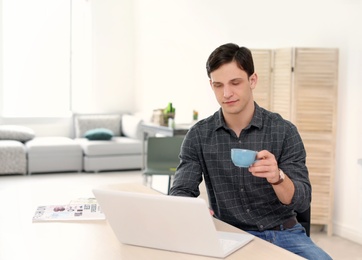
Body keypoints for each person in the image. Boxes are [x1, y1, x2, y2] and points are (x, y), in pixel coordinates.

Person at [169, 43, 332, 259]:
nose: (227, 93)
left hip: (283, 233)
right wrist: (195, 213)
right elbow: (180, 191)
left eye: (235, 83)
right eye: (218, 85)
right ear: (212, 85)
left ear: (252, 80)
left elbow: (302, 201)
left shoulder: (283, 131)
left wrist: (278, 178)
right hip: (230, 234)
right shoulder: (199, 135)